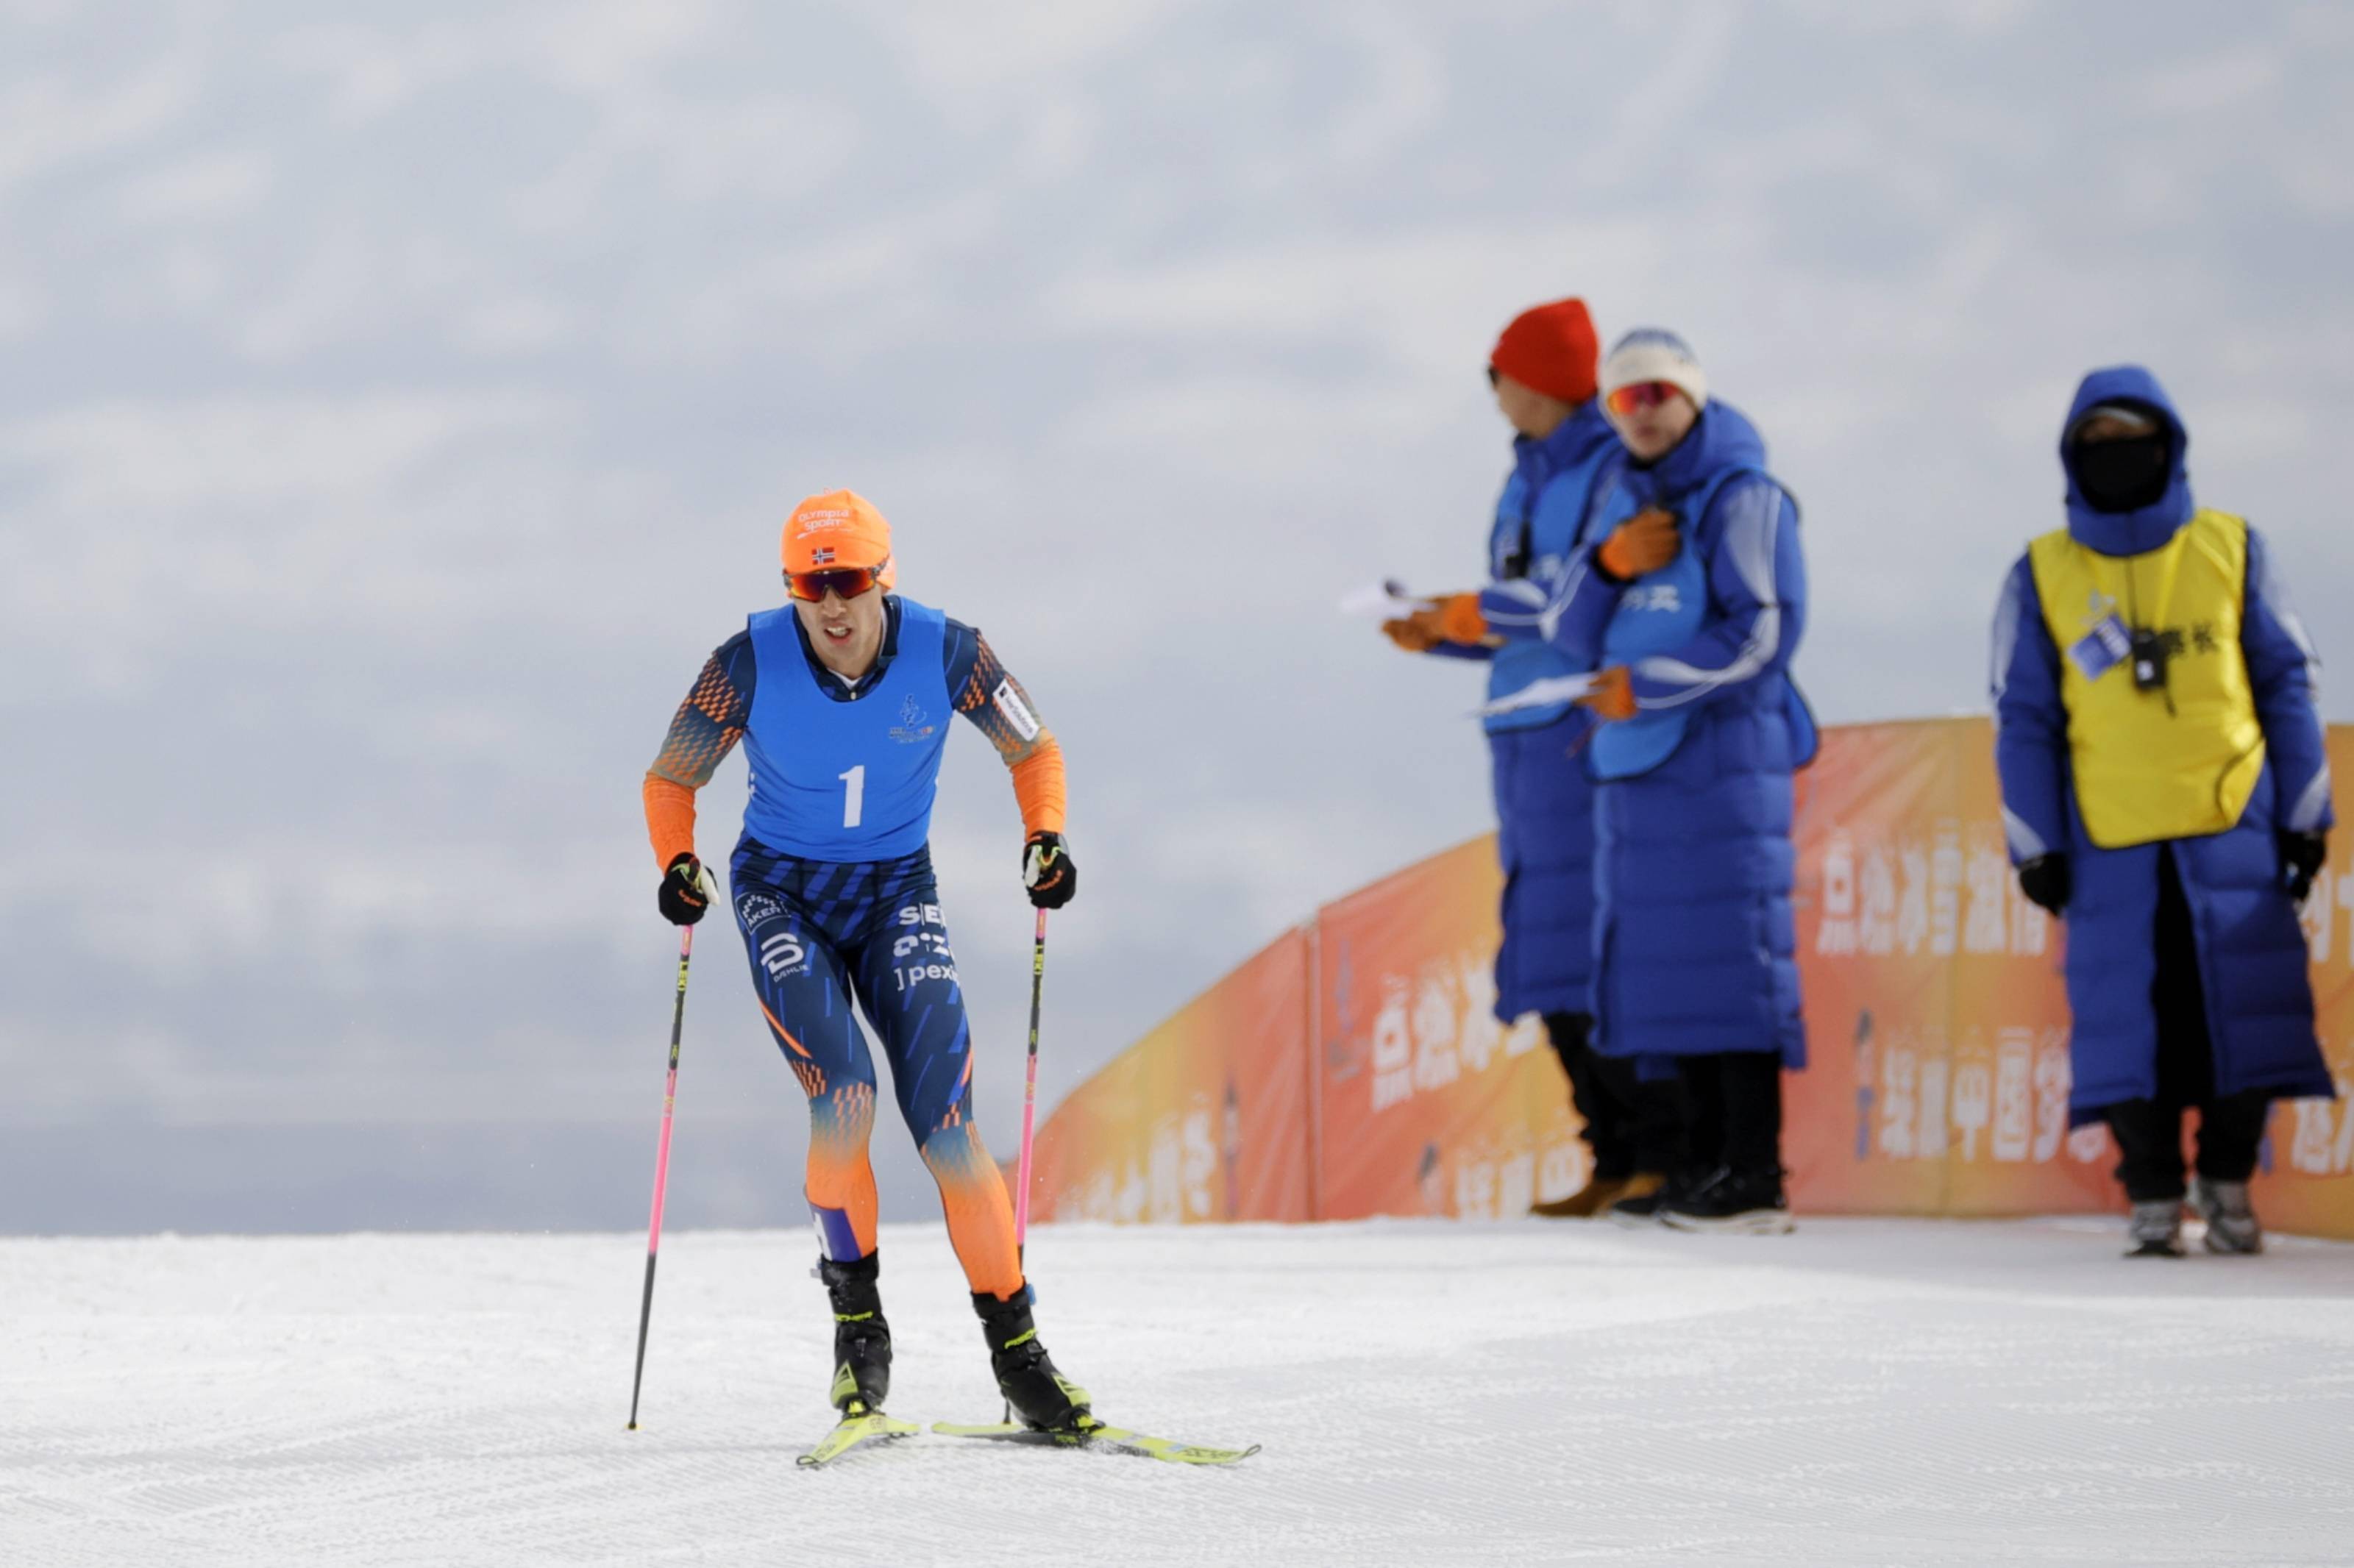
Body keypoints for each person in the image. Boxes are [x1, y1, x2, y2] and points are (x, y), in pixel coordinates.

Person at [641, 489, 1086, 1426]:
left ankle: (1018, 1353)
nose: (831, 605)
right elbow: (672, 774)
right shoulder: (746, 661)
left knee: (949, 1127)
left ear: (884, 578)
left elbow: (1033, 750)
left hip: (894, 894)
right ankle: (859, 1334)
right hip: (781, 894)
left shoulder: (948, 649)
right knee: (844, 1096)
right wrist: (677, 861)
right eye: (811, 584)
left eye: (848, 582)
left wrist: (1043, 839)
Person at [1991, 367, 2333, 1258]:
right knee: (2128, 1026)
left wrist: (2303, 815)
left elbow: (2283, 683)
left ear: (2169, 445)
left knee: (2239, 1011)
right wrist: (2034, 843)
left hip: (2233, 826)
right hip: (2109, 841)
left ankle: (2225, 1175)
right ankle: (2149, 1189)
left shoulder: (2232, 547)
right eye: (2094, 444)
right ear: (2069, 458)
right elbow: (2023, 717)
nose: (2116, 457)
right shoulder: (2040, 573)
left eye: (2131, 438)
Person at [1381, 298, 1676, 1218]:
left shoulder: (1606, 470)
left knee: (1594, 942)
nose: (1492, 390)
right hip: (1519, 734)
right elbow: (1521, 616)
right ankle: (1610, 1153)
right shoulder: (1523, 476)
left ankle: (1652, 1152)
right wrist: (1441, 631)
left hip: (1578, 730)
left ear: (1537, 382)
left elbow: (1567, 598)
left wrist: (1470, 610)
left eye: (1498, 371)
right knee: (1545, 945)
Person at [1540, 328, 1813, 1233]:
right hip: (1636, 774)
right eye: (1623, 398)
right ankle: (1695, 1164)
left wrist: (1649, 684)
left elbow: (1763, 630)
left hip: (1721, 767)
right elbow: (1566, 630)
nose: (1643, 410)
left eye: (1658, 392)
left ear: (1693, 397)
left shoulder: (1744, 495)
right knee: (1666, 973)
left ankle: (1751, 1172)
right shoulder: (1622, 499)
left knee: (1730, 964)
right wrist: (1611, 564)